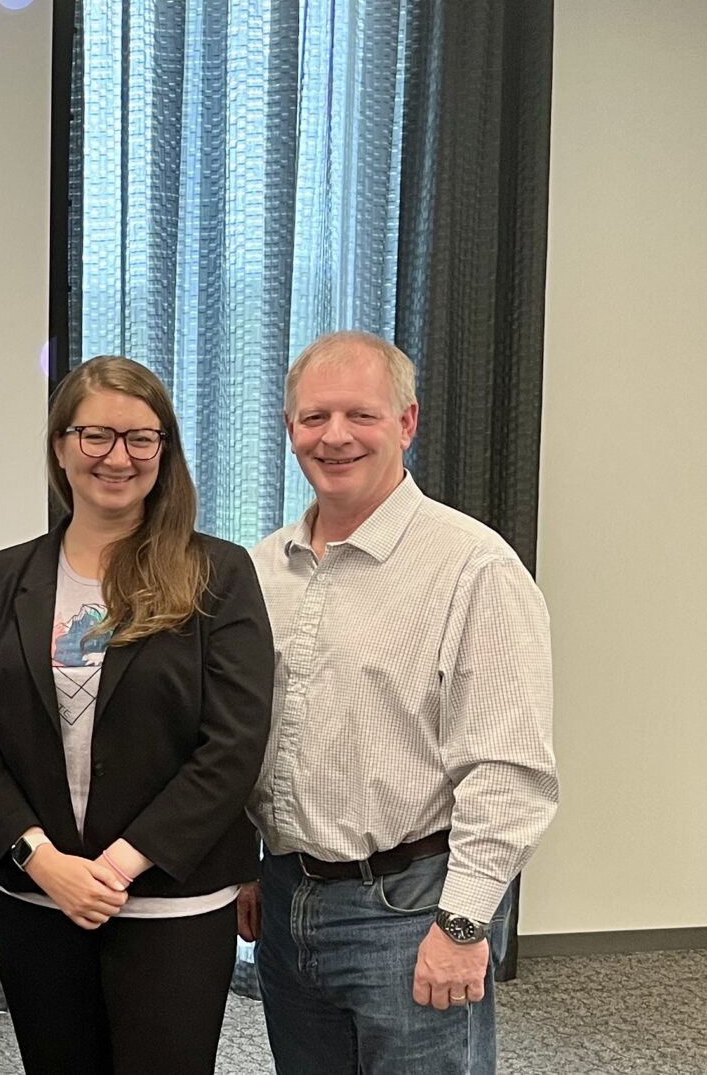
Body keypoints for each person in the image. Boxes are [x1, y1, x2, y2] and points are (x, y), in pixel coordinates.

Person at [239, 332, 559, 1075]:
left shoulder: (473, 568)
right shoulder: (261, 569)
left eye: (362, 414)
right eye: (314, 417)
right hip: (289, 898)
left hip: (412, 910)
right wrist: (245, 865)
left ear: (408, 422)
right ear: (290, 430)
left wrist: (465, 921)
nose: (336, 435)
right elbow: (252, 736)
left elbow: (509, 768)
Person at [0, 355, 274, 1074]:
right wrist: (45, 862)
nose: (116, 457)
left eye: (140, 437)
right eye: (95, 435)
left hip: (172, 903)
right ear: (61, 446)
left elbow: (234, 743)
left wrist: (118, 865)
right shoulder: (4, 578)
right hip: (37, 898)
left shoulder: (217, 574)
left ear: (165, 449)